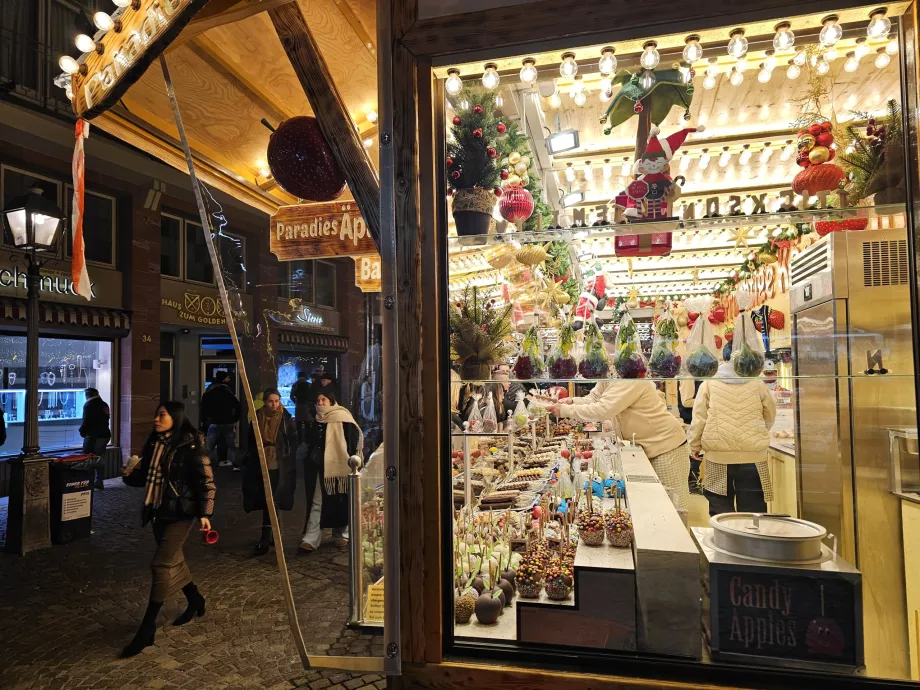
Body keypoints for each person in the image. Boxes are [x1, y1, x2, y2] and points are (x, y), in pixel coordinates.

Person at [121, 401, 216, 658]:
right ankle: (196, 600)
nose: (156, 419)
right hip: (157, 510)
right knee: (175, 559)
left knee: (161, 564)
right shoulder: (154, 443)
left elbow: (206, 481)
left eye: (162, 415)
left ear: (175, 417)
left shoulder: (190, 445)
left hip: (180, 513)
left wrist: (205, 513)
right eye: (156, 414)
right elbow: (144, 479)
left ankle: (147, 627)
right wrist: (129, 474)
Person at [549, 380, 691, 516]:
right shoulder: (612, 374)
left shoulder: (629, 376)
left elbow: (603, 409)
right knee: (656, 509)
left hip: (666, 447)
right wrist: (571, 401)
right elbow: (595, 397)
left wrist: (564, 410)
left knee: (672, 508)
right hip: (647, 447)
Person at [688, 352, 776, 517]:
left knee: (720, 508)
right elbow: (770, 414)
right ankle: (752, 542)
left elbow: (699, 419)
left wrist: (694, 446)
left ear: (723, 358)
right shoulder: (757, 384)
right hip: (753, 458)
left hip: (718, 456)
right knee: (753, 511)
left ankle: (726, 541)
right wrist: (757, 433)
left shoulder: (709, 383)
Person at [300, 385, 362, 553]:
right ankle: (311, 538)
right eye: (318, 400)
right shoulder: (315, 421)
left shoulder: (343, 417)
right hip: (320, 469)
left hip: (341, 468)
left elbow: (352, 441)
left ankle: (341, 534)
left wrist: (349, 461)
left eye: (324, 399)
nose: (320, 402)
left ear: (331, 400)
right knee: (317, 502)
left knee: (340, 499)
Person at [242, 388, 297, 555]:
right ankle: (273, 534)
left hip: (278, 463)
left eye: (276, 401)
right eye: (270, 401)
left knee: (272, 499)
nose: (274, 404)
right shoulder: (257, 417)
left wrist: (286, 458)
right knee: (266, 499)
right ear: (265, 402)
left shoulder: (286, 419)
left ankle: (266, 537)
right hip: (259, 462)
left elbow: (292, 441)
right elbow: (251, 440)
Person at [200, 372, 241, 467]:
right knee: (229, 443)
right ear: (224, 379)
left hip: (213, 421)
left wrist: (205, 420)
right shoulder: (228, 391)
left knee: (209, 445)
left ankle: (205, 463)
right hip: (227, 421)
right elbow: (237, 406)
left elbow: (204, 406)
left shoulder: (209, 391)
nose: (229, 379)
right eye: (227, 378)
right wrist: (235, 419)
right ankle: (229, 461)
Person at [79, 387, 111, 490]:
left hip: (93, 436)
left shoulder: (89, 405)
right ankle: (99, 480)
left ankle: (89, 481)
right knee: (99, 458)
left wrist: (82, 431)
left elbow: (86, 421)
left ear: (88, 395)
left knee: (88, 458)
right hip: (104, 435)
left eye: (86, 394)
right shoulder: (104, 404)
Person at [290, 371, 314, 439]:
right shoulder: (309, 384)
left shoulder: (295, 384)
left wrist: (296, 402)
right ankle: (308, 439)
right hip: (307, 406)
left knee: (299, 424)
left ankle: (300, 440)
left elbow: (291, 396)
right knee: (307, 424)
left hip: (299, 406)